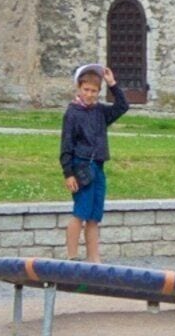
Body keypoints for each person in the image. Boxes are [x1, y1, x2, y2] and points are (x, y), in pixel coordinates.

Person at [57, 61, 131, 260]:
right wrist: (68, 173)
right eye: (86, 90)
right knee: (80, 213)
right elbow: (66, 145)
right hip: (81, 167)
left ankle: (94, 259)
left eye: (94, 91)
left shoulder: (100, 112)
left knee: (94, 217)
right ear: (79, 88)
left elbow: (123, 106)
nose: (89, 94)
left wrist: (112, 84)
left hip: (98, 167)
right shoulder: (72, 113)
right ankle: (72, 257)